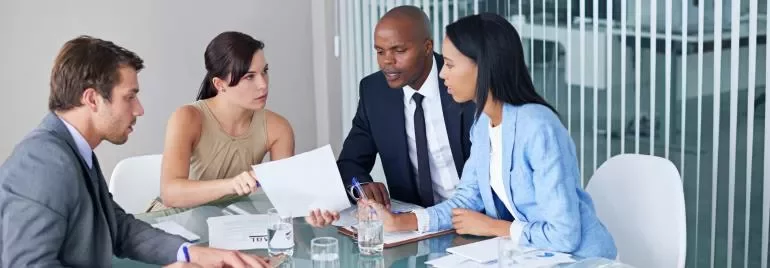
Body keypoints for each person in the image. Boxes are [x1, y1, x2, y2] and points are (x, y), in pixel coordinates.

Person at [311, 13, 617, 259]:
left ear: (482, 68)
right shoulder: (484, 124)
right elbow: (465, 199)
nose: (442, 73)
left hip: (580, 258)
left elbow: (564, 234)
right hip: (526, 255)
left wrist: (493, 227)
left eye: (452, 65)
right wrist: (397, 222)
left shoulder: (538, 126)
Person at [0, 36, 270, 267]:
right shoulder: (43, 164)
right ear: (92, 99)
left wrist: (192, 252)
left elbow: (119, 228)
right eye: (129, 97)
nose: (139, 109)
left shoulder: (73, 151)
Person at [335, 5, 475, 211]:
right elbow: (349, 164)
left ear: (427, 47)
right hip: (414, 224)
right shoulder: (374, 92)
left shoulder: (462, 81)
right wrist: (361, 186)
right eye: (380, 52)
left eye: (399, 51)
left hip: (475, 218)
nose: (386, 61)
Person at [148, 31, 295, 213]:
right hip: (174, 219)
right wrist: (231, 185)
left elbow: (285, 199)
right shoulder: (187, 118)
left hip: (230, 222)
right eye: (249, 77)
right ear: (219, 84)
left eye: (264, 71)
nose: (263, 84)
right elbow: (170, 194)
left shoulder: (278, 128)